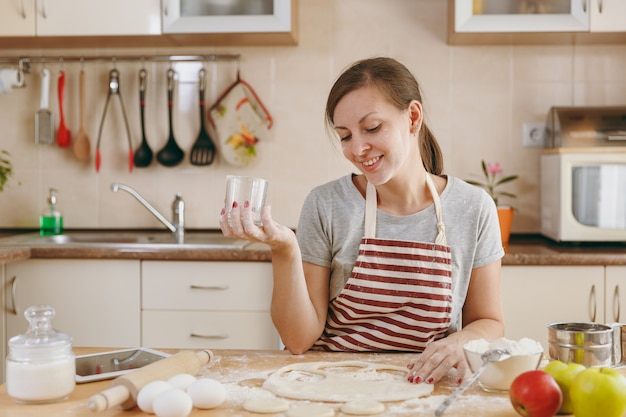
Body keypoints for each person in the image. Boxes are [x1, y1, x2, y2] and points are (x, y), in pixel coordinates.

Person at [219, 57, 505, 385]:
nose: (357, 148)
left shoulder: (473, 207)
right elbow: (298, 340)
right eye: (344, 136)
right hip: (328, 383)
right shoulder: (326, 204)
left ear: (413, 117)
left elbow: (489, 321)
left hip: (424, 388)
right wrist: (285, 248)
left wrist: (459, 341)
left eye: (371, 128)